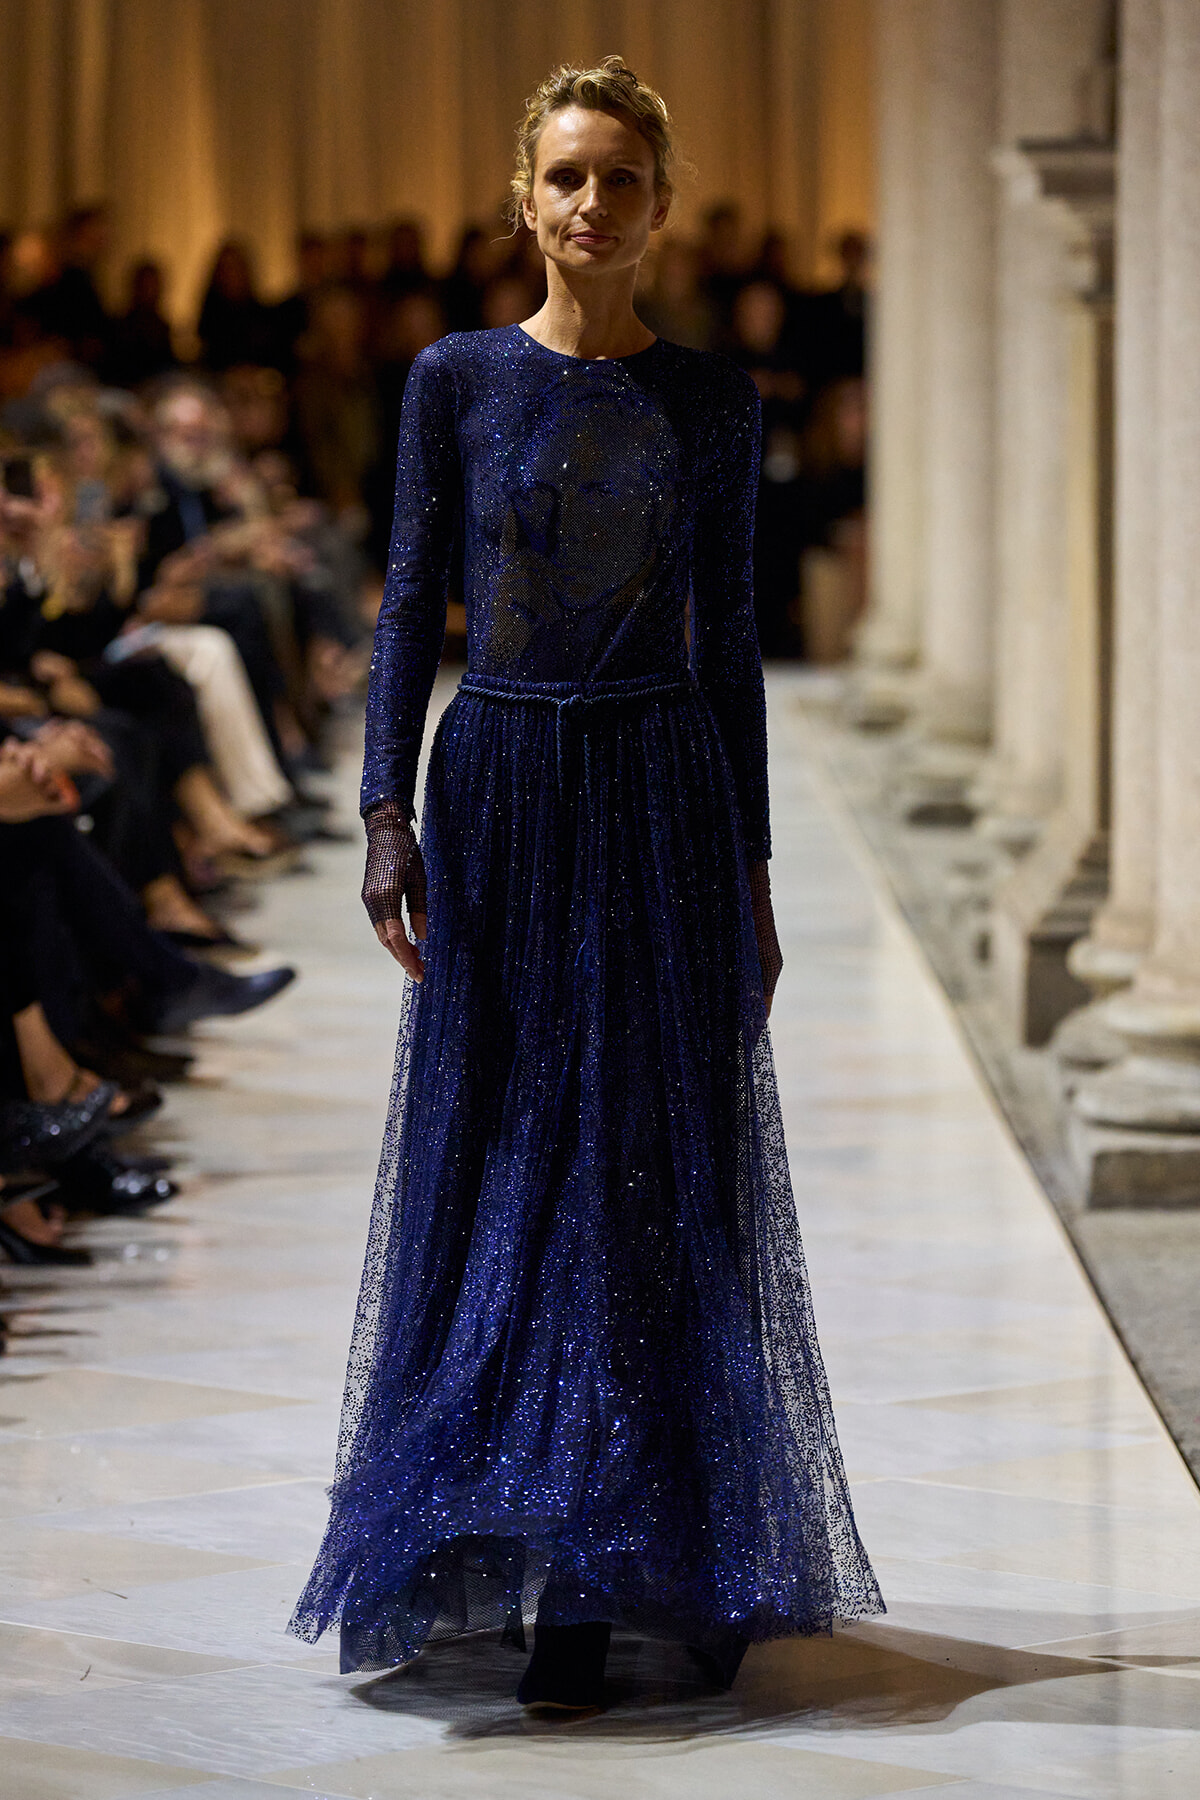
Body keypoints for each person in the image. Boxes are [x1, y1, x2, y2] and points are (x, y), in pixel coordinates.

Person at [290, 56, 881, 1713]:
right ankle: (530, 1530)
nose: (593, 206)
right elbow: (415, 608)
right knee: (509, 1151)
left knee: (642, 1165)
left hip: (661, 789)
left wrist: (755, 874)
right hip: (508, 789)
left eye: (622, 179)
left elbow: (739, 655)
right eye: (568, 177)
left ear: (661, 207)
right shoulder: (455, 382)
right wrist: (383, 814)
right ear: (523, 197)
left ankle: (602, 1557)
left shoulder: (712, 399)